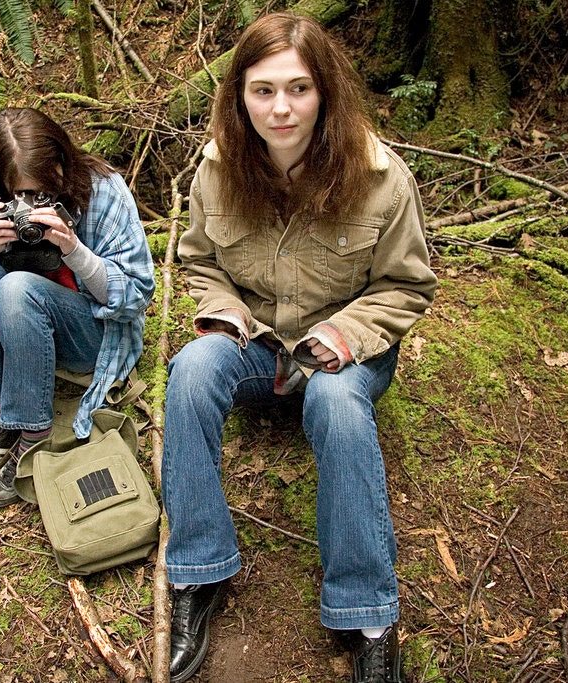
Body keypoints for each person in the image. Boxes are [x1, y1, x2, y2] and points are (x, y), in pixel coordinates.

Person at [161, 13, 438, 683]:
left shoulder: (380, 177)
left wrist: (344, 336)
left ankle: (367, 615)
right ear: (239, 96)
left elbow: (406, 284)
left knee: (336, 404)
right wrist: (223, 314)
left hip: (346, 352)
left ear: (325, 92)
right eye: (263, 91)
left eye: (298, 88)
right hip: (257, 344)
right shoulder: (216, 170)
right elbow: (201, 262)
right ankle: (198, 570)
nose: (280, 108)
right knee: (191, 369)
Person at [0, 107, 154, 509]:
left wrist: (74, 249)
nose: (31, 205)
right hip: (17, 331)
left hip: (88, 335)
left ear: (63, 165)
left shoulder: (104, 191)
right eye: (19, 196)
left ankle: (33, 436)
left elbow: (138, 293)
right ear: (0, 187)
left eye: (44, 193)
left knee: (16, 286)